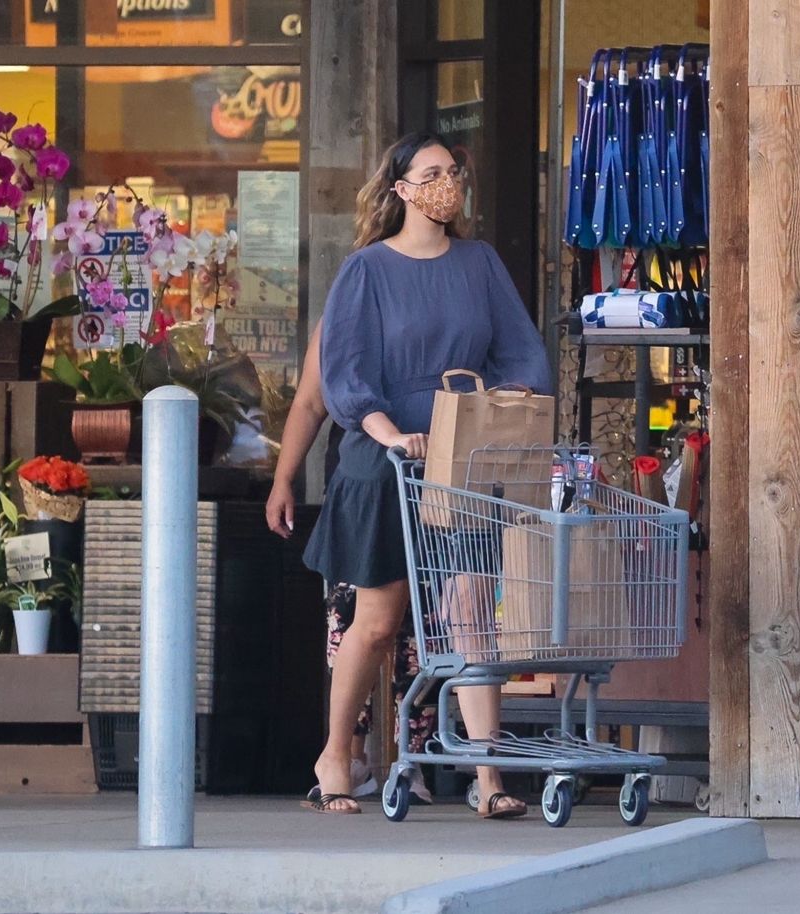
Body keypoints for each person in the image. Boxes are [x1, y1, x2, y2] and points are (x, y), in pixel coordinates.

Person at [300, 131, 553, 817]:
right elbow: (344, 372)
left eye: (455, 172)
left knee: (472, 611)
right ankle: (335, 754)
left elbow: (522, 353)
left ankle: (488, 774)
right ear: (401, 188)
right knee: (378, 623)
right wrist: (387, 431)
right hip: (388, 461)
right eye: (433, 172)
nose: (449, 184)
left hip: (462, 459)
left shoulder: (480, 264)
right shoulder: (367, 270)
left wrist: (510, 408)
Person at [265, 321, 437, 805]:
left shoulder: (438, 302)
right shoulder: (346, 310)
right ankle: (350, 753)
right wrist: (284, 479)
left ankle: (413, 756)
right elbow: (309, 402)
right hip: (363, 479)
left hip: (432, 474)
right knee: (351, 619)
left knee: (426, 626)